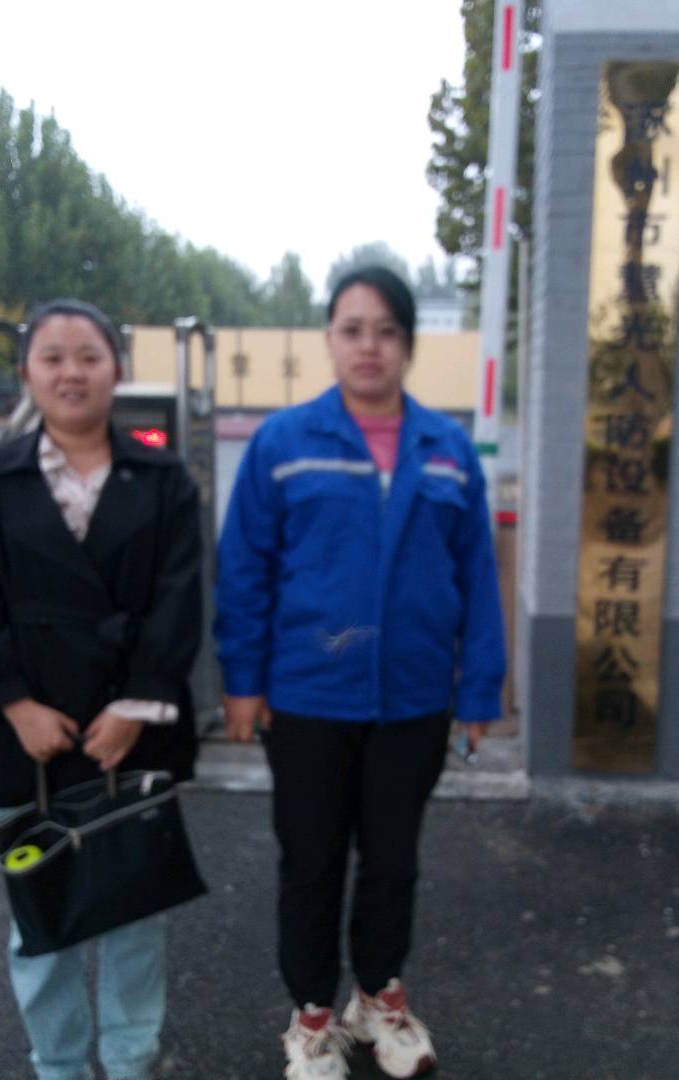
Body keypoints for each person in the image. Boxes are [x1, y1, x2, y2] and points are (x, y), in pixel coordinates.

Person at [215, 266, 507, 1079]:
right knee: (309, 863)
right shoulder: (284, 443)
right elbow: (243, 570)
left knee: (391, 863)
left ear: (407, 344)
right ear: (330, 340)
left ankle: (378, 997)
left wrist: (478, 687)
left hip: (411, 700)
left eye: (385, 331)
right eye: (352, 330)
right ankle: (312, 1016)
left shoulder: (446, 449)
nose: (368, 346)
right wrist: (242, 681)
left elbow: (476, 576)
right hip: (308, 698)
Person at [0, 298, 201, 1080]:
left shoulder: (162, 479)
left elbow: (179, 598)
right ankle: (56, 1065)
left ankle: (129, 1059)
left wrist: (134, 705)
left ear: (118, 370)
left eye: (89, 356)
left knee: (135, 913)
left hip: (129, 726)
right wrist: (15, 704)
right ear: (26, 373)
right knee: (39, 917)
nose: (71, 373)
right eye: (53, 357)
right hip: (30, 736)